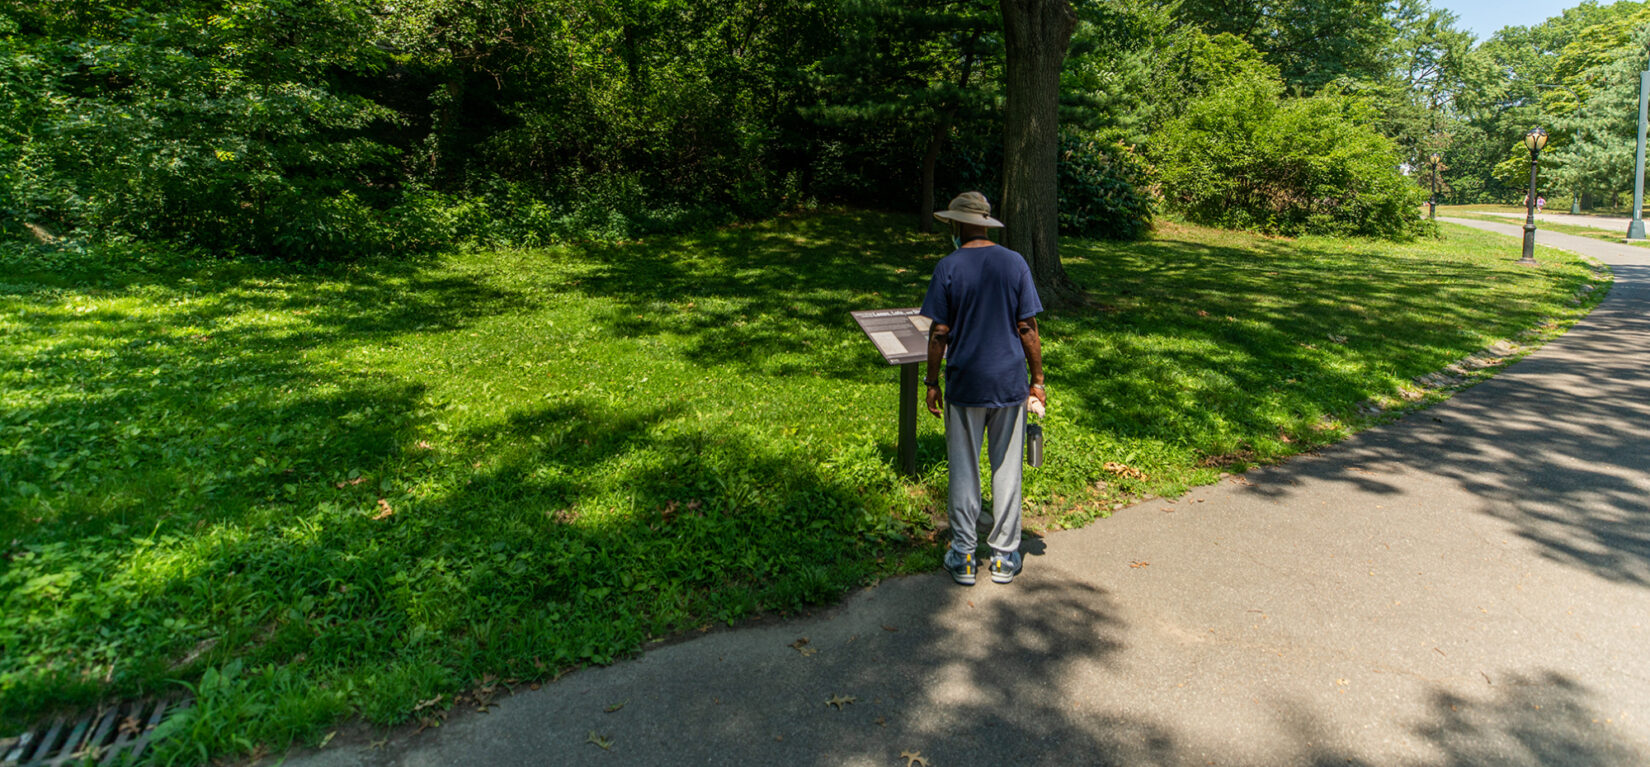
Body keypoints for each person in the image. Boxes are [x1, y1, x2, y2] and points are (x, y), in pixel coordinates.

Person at [920, 191, 1046, 586]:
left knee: (963, 470)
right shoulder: (1015, 263)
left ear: (958, 225)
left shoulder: (948, 266)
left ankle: (963, 555)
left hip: (965, 382)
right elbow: (1027, 327)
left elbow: (939, 332)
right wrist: (1037, 380)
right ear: (986, 224)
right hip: (1008, 382)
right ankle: (1006, 556)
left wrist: (931, 380)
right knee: (1006, 470)